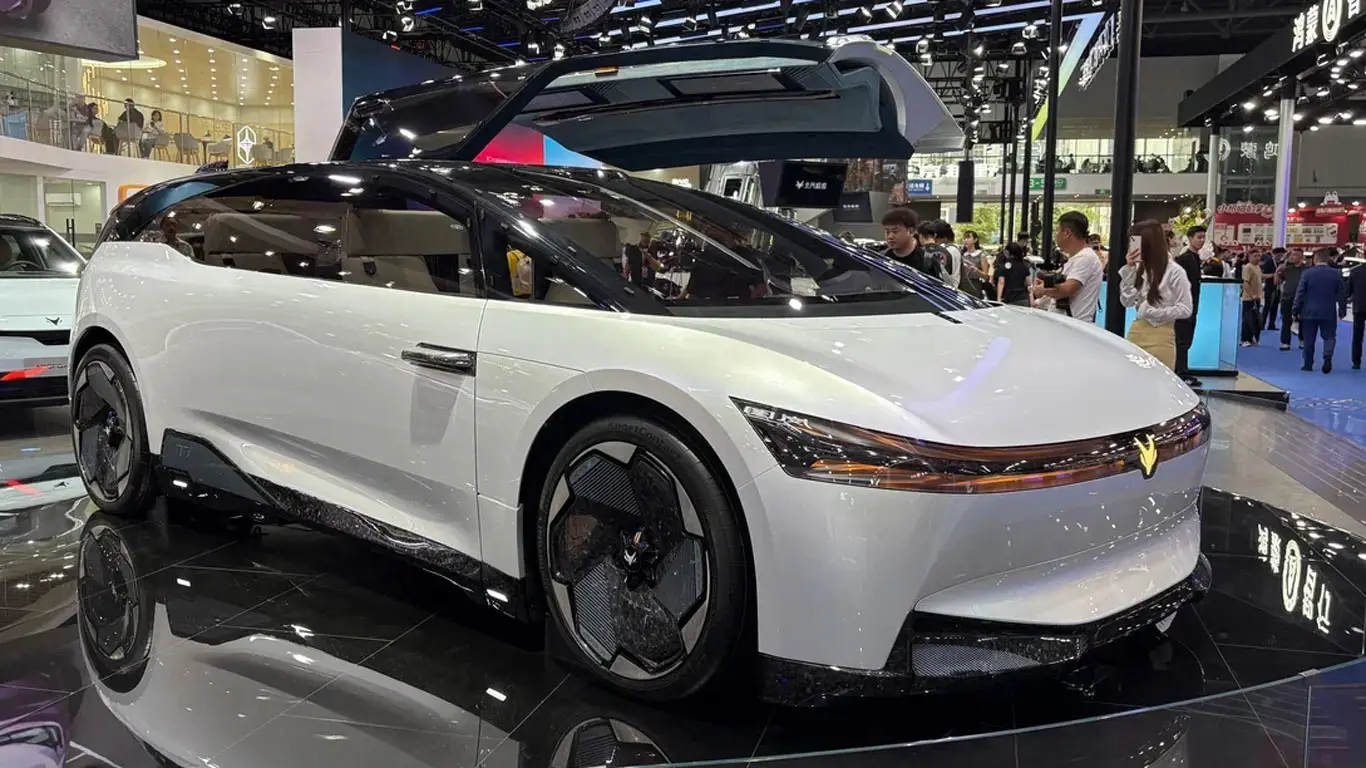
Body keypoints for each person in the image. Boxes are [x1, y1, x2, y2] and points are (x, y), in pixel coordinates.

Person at [1119, 219, 1193, 369]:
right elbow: (1126, 301)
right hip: (1136, 332)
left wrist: (1154, 313)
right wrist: (1129, 268)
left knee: (1158, 380)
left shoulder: (1175, 271)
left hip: (1161, 335)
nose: (1133, 246)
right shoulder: (1141, 268)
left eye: (1136, 241)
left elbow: (1186, 309)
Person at [1033, 211, 1103, 323]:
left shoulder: (1085, 257)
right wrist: (1046, 286)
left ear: (1067, 233)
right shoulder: (1076, 258)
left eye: (1057, 230)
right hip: (1066, 325)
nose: (1056, 235)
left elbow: (1066, 289)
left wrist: (1043, 289)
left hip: (1075, 326)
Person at [1292, 247, 1348, 373]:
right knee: (1329, 336)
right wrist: (1342, 309)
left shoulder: (1307, 273)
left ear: (1315, 259)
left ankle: (1308, 363)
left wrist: (1295, 309)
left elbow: (1300, 293)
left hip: (1309, 311)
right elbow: (1342, 294)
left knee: (1309, 338)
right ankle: (1327, 357)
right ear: (1327, 259)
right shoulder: (1336, 273)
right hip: (1328, 311)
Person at [1173, 226, 1205, 385]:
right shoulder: (1184, 259)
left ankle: (1182, 371)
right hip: (1184, 305)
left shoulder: (1195, 258)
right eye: (1199, 237)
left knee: (1186, 339)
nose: (1202, 240)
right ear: (1190, 238)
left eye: (1203, 237)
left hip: (1192, 304)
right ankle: (1181, 372)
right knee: (1182, 340)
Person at [881, 208, 941, 280]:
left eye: (895, 231)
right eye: (887, 232)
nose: (890, 236)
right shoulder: (881, 259)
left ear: (911, 232)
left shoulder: (927, 262)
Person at [1275, 249, 1308, 350]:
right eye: (1292, 255)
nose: (1293, 257)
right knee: (1286, 320)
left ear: (1302, 257)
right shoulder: (1286, 269)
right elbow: (1277, 282)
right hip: (1287, 297)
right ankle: (1285, 342)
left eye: (1296, 255)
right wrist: (1277, 271)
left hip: (1302, 299)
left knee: (1303, 320)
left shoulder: (1307, 269)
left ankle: (1302, 340)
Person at [916, 220, 957, 288]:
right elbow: (949, 273)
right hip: (942, 290)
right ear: (935, 235)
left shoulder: (919, 253)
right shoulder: (947, 252)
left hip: (924, 289)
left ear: (921, 236)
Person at [995, 241, 1032, 306]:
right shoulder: (1024, 265)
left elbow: (1001, 282)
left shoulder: (1003, 266)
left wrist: (998, 298)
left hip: (1009, 298)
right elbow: (1029, 282)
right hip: (1023, 298)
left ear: (1007, 252)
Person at [1240, 252, 1264, 346]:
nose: (1258, 258)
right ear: (1249, 257)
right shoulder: (1248, 267)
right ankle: (1244, 339)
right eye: (1255, 256)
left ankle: (1250, 338)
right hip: (1248, 298)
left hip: (1257, 297)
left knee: (1254, 319)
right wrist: (1252, 294)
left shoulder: (1257, 267)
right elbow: (1245, 283)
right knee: (1247, 319)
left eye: (1259, 256)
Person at [1349, 257, 1366, 369]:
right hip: (1359, 306)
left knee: (1357, 335)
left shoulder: (1355, 271)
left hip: (1359, 307)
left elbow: (1349, 290)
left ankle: (1356, 361)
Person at [1262, 248, 1282, 331]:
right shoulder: (1269, 263)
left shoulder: (1281, 263)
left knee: (1275, 307)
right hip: (1270, 288)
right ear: (1274, 254)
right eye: (1278, 255)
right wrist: (1274, 275)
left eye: (1281, 255)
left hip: (1278, 288)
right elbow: (1263, 275)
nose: (1280, 257)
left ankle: (1271, 324)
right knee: (1267, 307)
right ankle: (1262, 324)